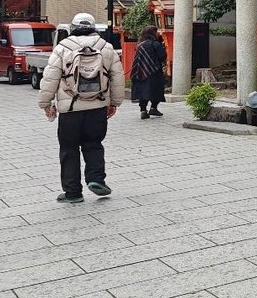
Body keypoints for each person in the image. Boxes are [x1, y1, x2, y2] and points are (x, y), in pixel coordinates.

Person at [36, 12, 123, 204]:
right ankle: (96, 179)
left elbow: (50, 78)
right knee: (94, 144)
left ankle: (73, 193)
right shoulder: (106, 48)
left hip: (70, 109)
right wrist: (114, 103)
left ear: (73, 28)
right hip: (98, 107)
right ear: (93, 28)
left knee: (69, 149)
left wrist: (45, 104)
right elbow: (117, 78)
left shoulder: (62, 47)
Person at [130, 25, 166, 120]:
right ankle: (153, 108)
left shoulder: (139, 44)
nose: (158, 33)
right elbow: (162, 56)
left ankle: (143, 110)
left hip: (140, 71)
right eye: (156, 32)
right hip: (154, 71)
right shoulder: (155, 44)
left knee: (142, 91)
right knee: (156, 89)